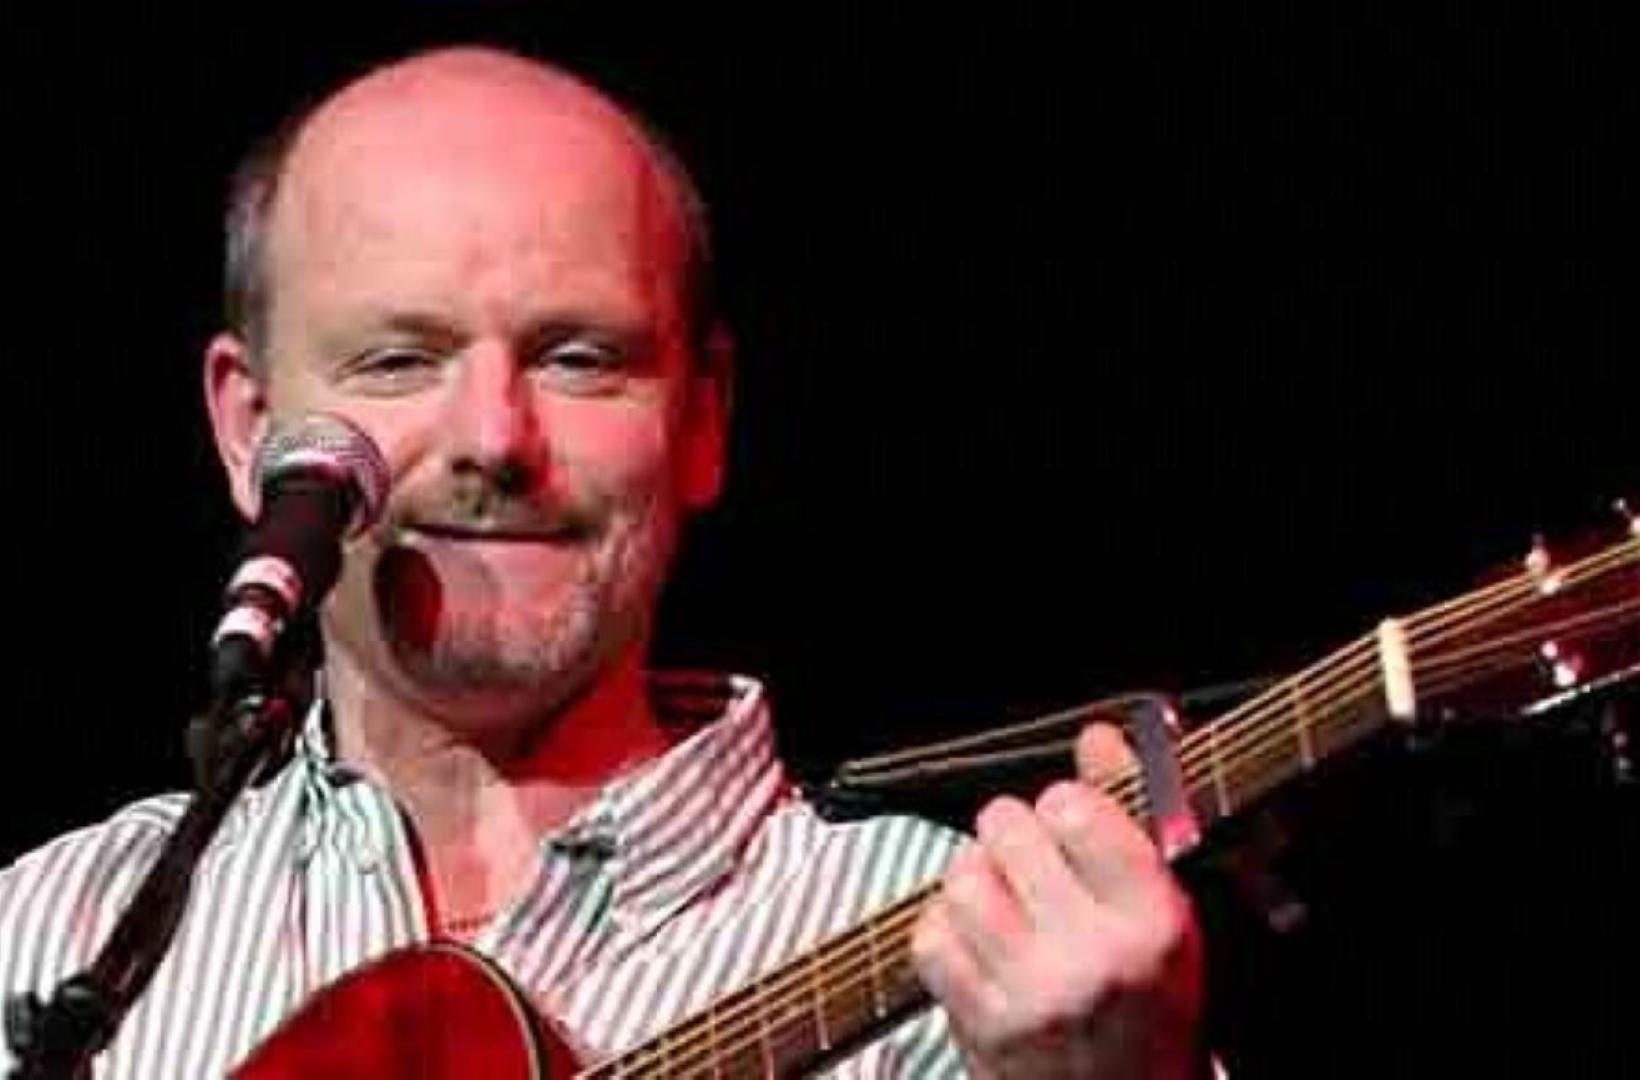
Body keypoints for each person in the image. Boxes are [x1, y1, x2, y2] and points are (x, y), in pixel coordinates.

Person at [0, 46, 1202, 1077]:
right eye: (397, 360)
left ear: (704, 416)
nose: (492, 438)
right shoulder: (48, 934)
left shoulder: (982, 954)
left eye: (578, 357)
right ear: (249, 427)